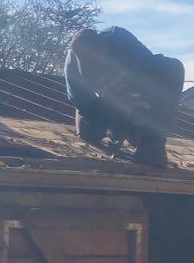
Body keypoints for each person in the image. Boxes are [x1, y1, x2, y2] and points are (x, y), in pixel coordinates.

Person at [64, 26, 185, 167]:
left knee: (173, 67)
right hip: (98, 105)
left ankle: (153, 142)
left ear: (105, 48)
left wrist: (140, 122)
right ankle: (119, 128)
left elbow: (151, 79)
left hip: (134, 90)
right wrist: (116, 126)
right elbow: (85, 107)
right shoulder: (72, 72)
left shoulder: (120, 39)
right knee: (90, 133)